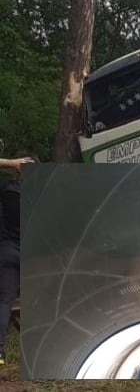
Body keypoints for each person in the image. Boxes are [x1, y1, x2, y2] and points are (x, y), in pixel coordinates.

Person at [0, 154, 36, 365]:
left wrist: (10, 163)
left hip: (7, 253)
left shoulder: (7, 189)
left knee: (4, 301)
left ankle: (0, 353)